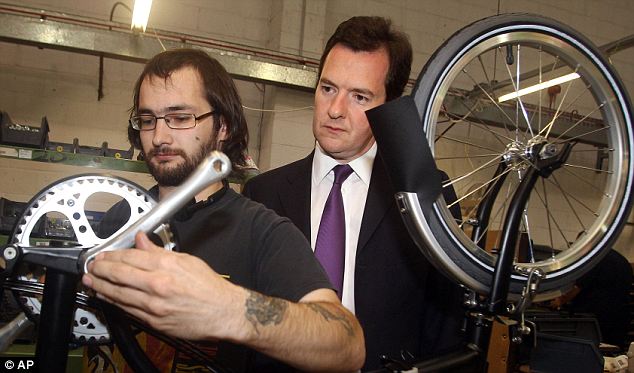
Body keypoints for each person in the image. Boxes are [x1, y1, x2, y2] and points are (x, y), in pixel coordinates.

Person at [81, 48, 365, 372]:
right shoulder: (119, 218)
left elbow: (346, 343)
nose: (159, 136)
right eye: (148, 120)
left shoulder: (262, 231)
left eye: (181, 118)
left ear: (223, 127)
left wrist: (228, 309)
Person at [243, 16, 466, 371]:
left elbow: (445, 327)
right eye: (328, 88)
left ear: (388, 106)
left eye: (359, 96)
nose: (334, 110)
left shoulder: (422, 193)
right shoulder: (262, 194)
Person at [550, 248, 632, 350]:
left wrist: (557, 301)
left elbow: (576, 288)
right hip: (621, 318)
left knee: (590, 353)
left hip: (596, 318)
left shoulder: (594, 258)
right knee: (613, 354)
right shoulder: (621, 259)